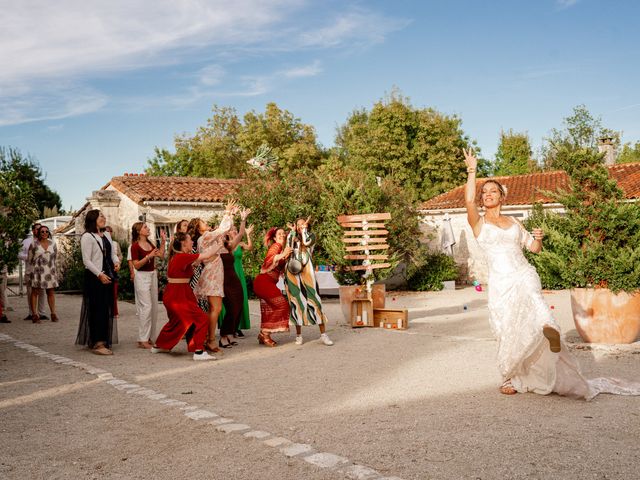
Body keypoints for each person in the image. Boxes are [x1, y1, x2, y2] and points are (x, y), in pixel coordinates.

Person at [463, 147, 640, 399]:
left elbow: (533, 249)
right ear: (482, 200)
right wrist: (472, 170)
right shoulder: (479, 223)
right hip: (501, 283)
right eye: (484, 192)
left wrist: (538, 239)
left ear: (502, 197)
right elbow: (468, 200)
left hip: (522, 272)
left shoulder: (515, 223)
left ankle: (549, 328)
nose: (487, 195)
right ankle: (511, 376)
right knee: (507, 328)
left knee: (535, 301)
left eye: (493, 191)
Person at [151, 232, 219, 360]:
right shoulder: (182, 256)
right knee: (202, 318)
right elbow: (207, 255)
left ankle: (159, 346)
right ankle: (199, 351)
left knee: (177, 322)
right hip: (178, 295)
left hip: (177, 293)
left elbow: (200, 260)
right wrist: (219, 244)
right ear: (183, 243)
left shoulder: (180, 257)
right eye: (190, 240)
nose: (192, 242)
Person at [192, 202, 236, 351]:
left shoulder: (206, 238)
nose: (206, 223)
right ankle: (210, 340)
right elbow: (222, 229)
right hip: (212, 275)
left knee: (213, 309)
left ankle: (207, 339)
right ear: (199, 228)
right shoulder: (204, 237)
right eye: (203, 222)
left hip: (213, 273)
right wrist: (227, 212)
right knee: (215, 309)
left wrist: (230, 215)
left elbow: (223, 232)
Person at [75, 210, 120, 355]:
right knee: (97, 309)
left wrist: (117, 261)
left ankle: (103, 339)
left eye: (104, 215)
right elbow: (86, 260)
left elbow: (112, 253)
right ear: (93, 219)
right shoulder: (87, 237)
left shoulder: (106, 234)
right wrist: (99, 274)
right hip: (95, 277)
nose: (104, 218)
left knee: (106, 309)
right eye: (101, 216)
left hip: (108, 276)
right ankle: (98, 343)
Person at [285, 218, 333, 346]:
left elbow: (306, 243)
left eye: (303, 224)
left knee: (315, 300)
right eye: (299, 224)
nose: (301, 226)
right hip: (293, 273)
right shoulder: (291, 235)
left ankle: (323, 335)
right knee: (296, 302)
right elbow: (288, 247)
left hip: (307, 272)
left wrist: (304, 230)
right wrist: (293, 233)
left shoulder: (311, 236)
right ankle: (299, 335)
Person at [252, 227, 292, 347]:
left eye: (283, 233)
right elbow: (270, 258)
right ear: (274, 238)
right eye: (279, 234)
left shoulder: (282, 249)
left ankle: (263, 334)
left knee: (271, 309)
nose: (282, 235)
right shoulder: (276, 247)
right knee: (283, 305)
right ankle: (264, 332)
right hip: (264, 282)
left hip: (267, 283)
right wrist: (283, 255)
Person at [130, 222, 166, 349]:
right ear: (139, 231)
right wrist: (148, 256)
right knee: (146, 307)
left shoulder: (150, 243)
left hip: (152, 275)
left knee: (154, 307)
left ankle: (149, 337)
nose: (148, 228)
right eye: (145, 227)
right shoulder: (134, 247)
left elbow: (161, 255)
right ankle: (142, 339)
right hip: (141, 277)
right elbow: (136, 265)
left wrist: (162, 242)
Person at [217, 210, 250, 348]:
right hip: (222, 280)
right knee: (230, 307)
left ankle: (230, 334)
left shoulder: (229, 247)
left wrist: (243, 219)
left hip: (234, 279)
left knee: (237, 305)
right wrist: (227, 214)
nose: (225, 234)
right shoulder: (216, 248)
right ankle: (223, 336)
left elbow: (241, 234)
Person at [28, 225, 59, 323]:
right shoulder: (34, 244)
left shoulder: (53, 243)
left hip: (50, 271)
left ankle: (53, 314)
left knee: (50, 292)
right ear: (38, 233)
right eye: (42, 231)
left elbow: (55, 257)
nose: (45, 233)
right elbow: (30, 259)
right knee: (35, 292)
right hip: (38, 272)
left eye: (46, 231)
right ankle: (34, 315)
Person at [19, 223, 47, 321]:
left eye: (41, 229)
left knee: (42, 292)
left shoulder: (45, 241)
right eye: (37, 229)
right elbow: (19, 254)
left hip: (42, 271)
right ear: (33, 231)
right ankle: (32, 313)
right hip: (30, 270)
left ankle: (42, 313)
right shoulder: (26, 242)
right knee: (31, 292)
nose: (40, 231)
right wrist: (29, 257)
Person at [230, 223, 253, 337]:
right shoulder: (226, 244)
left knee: (241, 299)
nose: (234, 232)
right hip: (229, 274)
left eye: (235, 230)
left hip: (239, 273)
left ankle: (238, 326)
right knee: (231, 301)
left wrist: (248, 234)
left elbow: (250, 247)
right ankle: (231, 327)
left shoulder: (240, 244)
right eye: (232, 230)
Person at [104, 226, 122, 319]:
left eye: (110, 231)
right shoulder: (101, 241)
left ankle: (115, 311)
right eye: (106, 231)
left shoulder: (115, 243)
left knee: (114, 292)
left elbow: (119, 255)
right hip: (104, 270)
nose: (108, 233)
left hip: (113, 269)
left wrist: (118, 263)